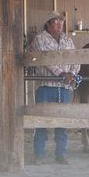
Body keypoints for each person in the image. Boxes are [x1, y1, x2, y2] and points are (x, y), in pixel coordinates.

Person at [30, 11, 80, 165]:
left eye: (61, 22)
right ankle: (39, 155)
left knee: (62, 123)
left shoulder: (67, 40)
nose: (60, 25)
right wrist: (61, 73)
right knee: (41, 122)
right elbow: (45, 59)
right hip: (46, 86)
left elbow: (77, 59)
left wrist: (71, 73)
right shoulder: (40, 39)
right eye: (56, 22)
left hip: (64, 87)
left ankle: (61, 154)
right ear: (48, 24)